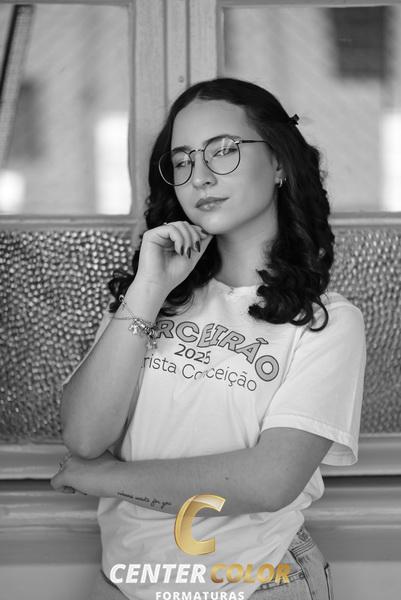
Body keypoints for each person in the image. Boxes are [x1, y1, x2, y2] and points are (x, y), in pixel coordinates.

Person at [51, 77, 366, 600]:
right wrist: (148, 289)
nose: (199, 176)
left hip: (255, 585)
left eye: (223, 151)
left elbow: (267, 482)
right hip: (125, 582)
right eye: (182, 161)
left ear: (280, 163)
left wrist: (102, 479)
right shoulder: (152, 296)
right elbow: (84, 437)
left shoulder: (325, 322)